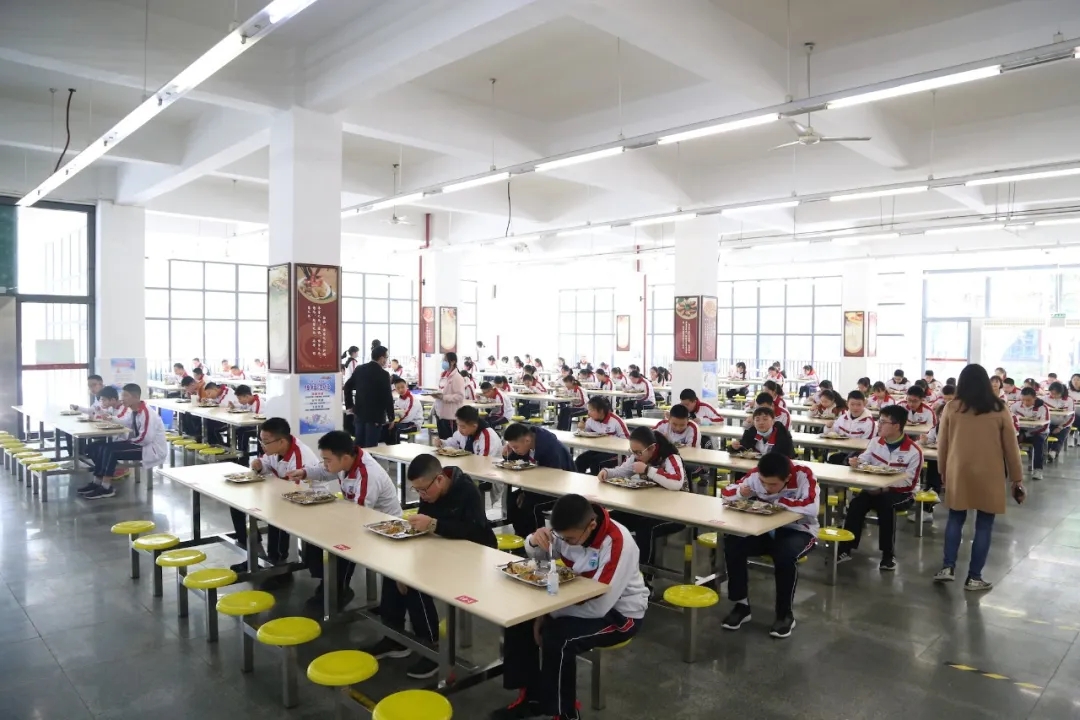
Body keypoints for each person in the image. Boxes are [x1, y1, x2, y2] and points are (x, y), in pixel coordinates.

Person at [492, 494, 647, 720]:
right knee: (519, 618)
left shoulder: (617, 543)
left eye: (570, 539)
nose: (565, 542)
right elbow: (541, 555)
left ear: (591, 526)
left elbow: (599, 606)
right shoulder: (568, 529)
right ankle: (531, 697)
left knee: (559, 638)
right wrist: (535, 540)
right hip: (574, 598)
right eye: (560, 536)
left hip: (620, 614)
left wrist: (547, 614)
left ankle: (564, 713)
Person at [365, 454, 496, 680]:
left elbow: (475, 532)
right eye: (417, 491)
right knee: (395, 571)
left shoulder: (467, 491)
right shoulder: (428, 492)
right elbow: (423, 526)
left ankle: (432, 646)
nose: (422, 496)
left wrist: (435, 524)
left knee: (417, 580)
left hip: (475, 555)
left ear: (439, 479)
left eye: (424, 490)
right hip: (442, 547)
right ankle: (394, 637)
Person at [934, 364, 1025, 590]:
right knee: (984, 524)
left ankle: (948, 567)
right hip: (990, 472)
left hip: (958, 470)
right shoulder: (999, 407)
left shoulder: (951, 407)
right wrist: (1017, 478)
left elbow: (942, 443)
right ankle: (974, 577)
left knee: (955, 518)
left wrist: (942, 471)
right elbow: (1011, 446)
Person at [288, 431, 402, 609]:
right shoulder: (346, 462)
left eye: (328, 460)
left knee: (343, 543)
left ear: (345, 458)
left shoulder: (367, 474)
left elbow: (360, 514)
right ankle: (327, 583)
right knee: (314, 534)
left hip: (385, 527)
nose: (325, 464)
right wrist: (304, 472)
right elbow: (325, 471)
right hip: (361, 517)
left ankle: (339, 591)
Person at [719, 452, 819, 638]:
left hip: (799, 530)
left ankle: (784, 614)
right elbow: (726, 493)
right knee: (733, 542)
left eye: (773, 484)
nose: (767, 487)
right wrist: (741, 493)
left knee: (784, 555)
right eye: (763, 483)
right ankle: (741, 605)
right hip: (765, 529)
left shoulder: (803, 475)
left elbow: (812, 506)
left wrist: (778, 502)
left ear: (787, 478)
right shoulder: (757, 474)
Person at [226, 418, 320, 579]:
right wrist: (259, 466)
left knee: (278, 514)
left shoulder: (299, 457)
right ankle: (255, 555)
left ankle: (279, 565)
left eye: (266, 442)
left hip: (307, 502)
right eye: (261, 441)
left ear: (282, 441)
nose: (262, 445)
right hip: (280, 495)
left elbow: (297, 492)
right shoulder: (275, 450)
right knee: (237, 506)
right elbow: (267, 465)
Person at [837, 405, 923, 571]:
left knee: (886, 506)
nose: (879, 425)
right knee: (856, 504)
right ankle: (845, 549)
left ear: (896, 426)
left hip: (901, 493)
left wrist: (884, 488)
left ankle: (887, 555)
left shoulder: (913, 451)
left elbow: (910, 483)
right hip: (874, 489)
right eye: (879, 421)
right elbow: (865, 459)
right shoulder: (876, 442)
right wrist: (857, 462)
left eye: (883, 422)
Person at [78, 384, 167, 500]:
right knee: (101, 447)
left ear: (135, 397)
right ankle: (97, 482)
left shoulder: (147, 413)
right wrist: (111, 418)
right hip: (141, 444)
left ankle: (106, 487)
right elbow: (126, 422)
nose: (122, 398)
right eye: (122, 395)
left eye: (125, 395)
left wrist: (128, 441)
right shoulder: (135, 410)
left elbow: (146, 439)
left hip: (151, 449)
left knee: (110, 451)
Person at [503, 423, 574, 536]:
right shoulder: (527, 444)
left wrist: (527, 492)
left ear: (527, 440)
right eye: (512, 447)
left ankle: (537, 540)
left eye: (515, 447)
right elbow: (516, 462)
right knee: (512, 500)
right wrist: (507, 455)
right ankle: (521, 536)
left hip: (559, 489)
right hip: (537, 486)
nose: (514, 450)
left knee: (531, 505)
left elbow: (555, 477)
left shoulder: (550, 448)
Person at [344, 345, 395, 448]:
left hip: (359, 413)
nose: (386, 360)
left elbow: (347, 387)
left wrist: (350, 405)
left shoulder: (359, 369)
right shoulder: (384, 374)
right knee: (371, 446)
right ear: (381, 358)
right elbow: (387, 397)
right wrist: (391, 417)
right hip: (375, 416)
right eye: (386, 357)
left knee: (359, 445)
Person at [573, 397, 629, 475]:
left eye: (591, 410)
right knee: (580, 460)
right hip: (599, 450)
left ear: (601, 411)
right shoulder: (590, 420)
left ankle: (596, 481)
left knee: (596, 462)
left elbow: (627, 442)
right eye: (588, 410)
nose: (588, 413)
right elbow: (585, 435)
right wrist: (581, 428)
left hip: (616, 453)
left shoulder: (616, 421)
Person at [1011, 386, 1049, 480]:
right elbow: (1010, 419)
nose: (1025, 402)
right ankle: (1010, 468)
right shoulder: (1015, 406)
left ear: (1035, 398)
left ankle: (1038, 470)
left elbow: (1044, 426)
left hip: (1038, 432)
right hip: (1021, 430)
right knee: (1008, 441)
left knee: (1039, 442)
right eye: (1023, 400)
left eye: (1028, 400)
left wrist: (1027, 434)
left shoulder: (1043, 408)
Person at [435, 405, 502, 457]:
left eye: (463, 427)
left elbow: (484, 460)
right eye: (458, 425)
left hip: (487, 469)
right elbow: (453, 443)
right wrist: (441, 442)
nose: (459, 429)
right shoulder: (463, 432)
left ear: (474, 426)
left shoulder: (487, 436)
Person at [730, 406, 796, 458]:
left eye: (765, 419)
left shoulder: (782, 434)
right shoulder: (752, 432)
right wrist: (734, 447)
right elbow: (743, 447)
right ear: (754, 422)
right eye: (757, 420)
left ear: (773, 421)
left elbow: (788, 455)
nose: (761, 423)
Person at [433, 352, 466, 440]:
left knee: (450, 441)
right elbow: (442, 390)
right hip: (440, 414)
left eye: (445, 360)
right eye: (443, 360)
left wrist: (443, 397)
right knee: (443, 441)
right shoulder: (444, 375)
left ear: (453, 362)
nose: (443, 362)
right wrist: (437, 395)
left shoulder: (457, 377)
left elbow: (460, 396)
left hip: (450, 416)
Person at [1044, 381, 1074, 462]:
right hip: (1049, 423)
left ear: (1061, 392)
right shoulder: (1045, 399)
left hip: (1063, 424)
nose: (1053, 396)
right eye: (1051, 393)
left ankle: (1053, 453)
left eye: (1056, 394)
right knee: (1045, 434)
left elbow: (1071, 417)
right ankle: (1046, 452)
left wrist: (1060, 427)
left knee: (1061, 435)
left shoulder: (1068, 400)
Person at [231, 384, 262, 459]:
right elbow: (242, 408)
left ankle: (243, 457)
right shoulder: (248, 402)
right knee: (237, 430)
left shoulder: (257, 403)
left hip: (258, 427)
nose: (239, 401)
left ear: (247, 396)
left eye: (240, 399)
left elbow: (256, 419)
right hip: (249, 424)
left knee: (242, 432)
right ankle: (238, 452)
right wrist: (234, 406)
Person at [389, 377, 422, 444]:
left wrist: (394, 422)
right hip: (404, 422)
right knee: (386, 427)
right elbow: (394, 411)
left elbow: (408, 417)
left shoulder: (412, 399)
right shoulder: (399, 400)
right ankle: (389, 446)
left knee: (395, 428)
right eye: (398, 388)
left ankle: (395, 447)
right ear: (395, 389)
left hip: (413, 424)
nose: (401, 389)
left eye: (402, 387)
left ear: (406, 386)